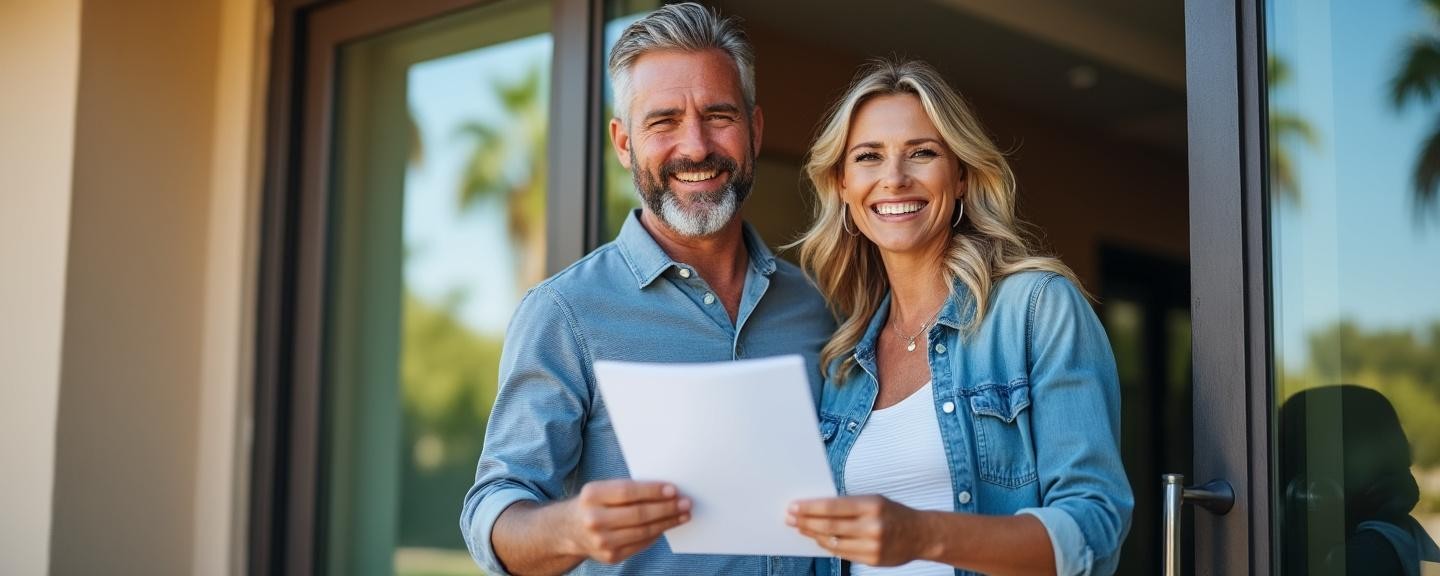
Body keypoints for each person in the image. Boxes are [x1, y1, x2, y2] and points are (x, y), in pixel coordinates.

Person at [459, 3, 833, 575]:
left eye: (719, 114)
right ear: (624, 142)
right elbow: (492, 510)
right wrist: (571, 527)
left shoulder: (816, 306)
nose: (696, 145)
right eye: (663, 121)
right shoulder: (564, 314)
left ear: (754, 130)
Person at [784, 59, 1133, 575]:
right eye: (868, 157)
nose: (894, 179)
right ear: (841, 185)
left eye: (922, 153)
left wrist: (924, 534)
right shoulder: (843, 361)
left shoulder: (1037, 308)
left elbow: (1094, 526)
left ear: (963, 176)